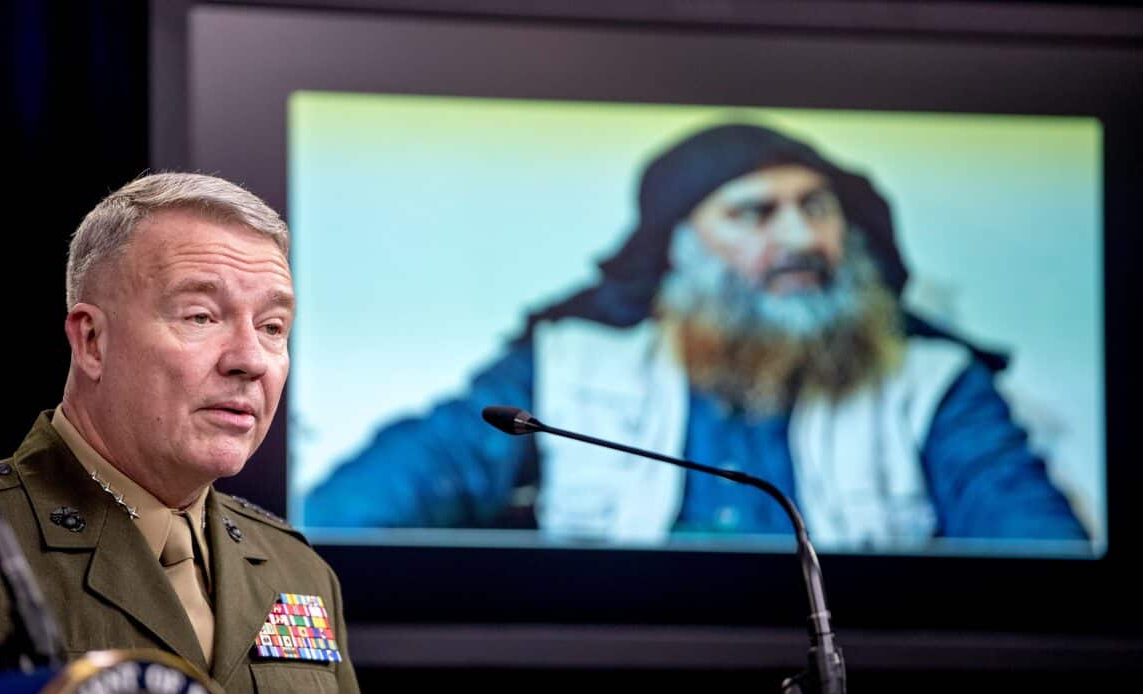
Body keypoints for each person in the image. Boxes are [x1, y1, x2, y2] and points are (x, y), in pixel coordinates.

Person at [305, 123, 1089, 550]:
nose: (804, 238)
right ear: (680, 247)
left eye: (819, 208)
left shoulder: (933, 384)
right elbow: (359, 509)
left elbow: (1039, 564)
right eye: (755, 212)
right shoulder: (566, 363)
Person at [0, 173, 364, 694]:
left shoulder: (299, 572)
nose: (250, 359)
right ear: (92, 341)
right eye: (201, 316)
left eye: (272, 327)